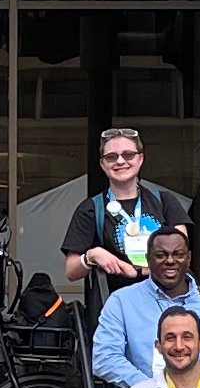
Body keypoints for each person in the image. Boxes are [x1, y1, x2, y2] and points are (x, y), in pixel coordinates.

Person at [89, 224, 200, 388]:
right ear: (148, 259)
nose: (170, 261)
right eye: (161, 255)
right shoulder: (122, 301)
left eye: (178, 254)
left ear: (189, 258)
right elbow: (105, 358)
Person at [61, 126, 190, 303]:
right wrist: (92, 255)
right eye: (111, 157)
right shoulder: (91, 209)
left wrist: (142, 270)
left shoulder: (165, 201)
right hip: (117, 306)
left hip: (169, 303)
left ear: (140, 158)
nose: (120, 161)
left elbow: (180, 255)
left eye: (128, 154)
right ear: (102, 164)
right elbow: (71, 270)